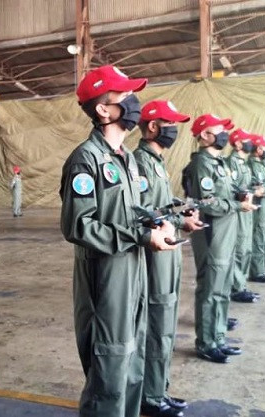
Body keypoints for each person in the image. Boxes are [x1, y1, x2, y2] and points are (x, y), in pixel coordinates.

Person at [60, 65, 177, 417]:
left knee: (134, 355)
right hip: (105, 275)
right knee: (109, 364)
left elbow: (128, 210)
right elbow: (78, 226)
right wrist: (140, 235)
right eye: (124, 96)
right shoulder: (86, 160)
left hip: (133, 267)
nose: (133, 102)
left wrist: (158, 221)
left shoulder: (126, 159)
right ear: (103, 109)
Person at [134, 100, 205, 417]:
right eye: (168, 123)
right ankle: (150, 396)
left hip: (169, 250)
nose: (173, 130)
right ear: (152, 126)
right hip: (155, 254)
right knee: (156, 324)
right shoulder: (140, 162)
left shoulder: (157, 162)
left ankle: (159, 389)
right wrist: (174, 221)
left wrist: (179, 216)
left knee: (165, 324)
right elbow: (142, 215)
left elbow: (159, 208)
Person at [182, 114, 257, 364]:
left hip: (227, 232)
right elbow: (208, 204)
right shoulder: (201, 164)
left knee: (223, 289)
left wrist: (241, 198)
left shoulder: (220, 163)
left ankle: (218, 337)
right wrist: (237, 205)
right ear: (204, 135)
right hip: (212, 234)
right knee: (211, 288)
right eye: (218, 130)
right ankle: (206, 342)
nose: (224, 135)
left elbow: (227, 192)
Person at [226, 129, 262, 302]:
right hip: (238, 211)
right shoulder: (231, 163)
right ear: (238, 143)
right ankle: (236, 288)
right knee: (239, 249)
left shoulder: (243, 163)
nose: (250, 144)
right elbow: (230, 189)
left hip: (246, 209)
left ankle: (242, 284)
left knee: (246, 248)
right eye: (246, 140)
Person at [248, 136, 265, 283]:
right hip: (259, 205)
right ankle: (256, 271)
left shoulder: (261, 164)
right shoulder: (253, 165)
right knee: (258, 237)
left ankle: (259, 270)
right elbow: (260, 187)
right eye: (264, 147)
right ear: (258, 149)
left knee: (261, 236)